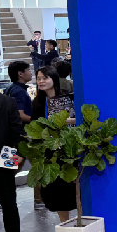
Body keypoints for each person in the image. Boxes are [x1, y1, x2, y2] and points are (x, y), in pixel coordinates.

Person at [31, 66, 76, 222]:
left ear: (54, 79)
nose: (41, 81)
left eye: (45, 78)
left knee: (74, 189)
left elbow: (80, 120)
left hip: (70, 149)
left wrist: (64, 121)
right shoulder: (38, 102)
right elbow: (34, 126)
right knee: (56, 193)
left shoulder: (69, 97)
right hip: (50, 152)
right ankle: (65, 224)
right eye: (38, 79)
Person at [0, 91, 25, 232]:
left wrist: (19, 154)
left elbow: (17, 130)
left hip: (5, 157)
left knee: (9, 202)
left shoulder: (7, 101)